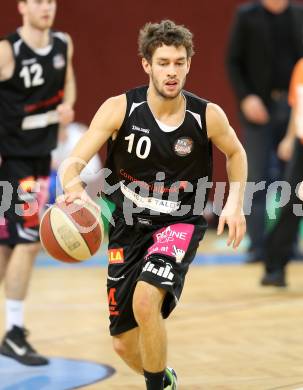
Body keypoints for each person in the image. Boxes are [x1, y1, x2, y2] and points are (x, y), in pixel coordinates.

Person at [60, 20, 247, 390]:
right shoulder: (119, 109)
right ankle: (164, 379)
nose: (172, 71)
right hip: (128, 226)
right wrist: (73, 187)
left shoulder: (205, 115)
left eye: (179, 62)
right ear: (146, 64)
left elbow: (236, 152)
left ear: (189, 63)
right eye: (163, 62)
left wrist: (236, 202)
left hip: (178, 222)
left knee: (147, 301)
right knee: (123, 343)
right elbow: (73, 163)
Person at [0, 0, 75, 365]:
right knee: (28, 243)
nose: (46, 7)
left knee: (8, 247)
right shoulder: (7, 50)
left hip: (39, 157)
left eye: (50, 1)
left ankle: (11, 332)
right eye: (38, 1)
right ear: (22, 7)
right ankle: (14, 334)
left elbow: (69, 86)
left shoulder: (63, 44)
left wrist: (66, 110)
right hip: (11, 162)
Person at [226, 0, 303, 263]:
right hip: (258, 107)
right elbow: (233, 62)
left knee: (293, 180)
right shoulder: (247, 16)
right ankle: (257, 246)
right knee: (256, 178)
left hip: (294, 108)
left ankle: (286, 247)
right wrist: (246, 97)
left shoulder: (299, 14)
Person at [261, 58, 303, 287]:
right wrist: (289, 138)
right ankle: (275, 268)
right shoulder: (300, 67)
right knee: (291, 205)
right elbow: (298, 106)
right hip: (301, 146)